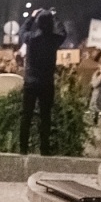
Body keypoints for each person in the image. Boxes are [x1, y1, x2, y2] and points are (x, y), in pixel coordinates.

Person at [19, 10, 67, 155]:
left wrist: (31, 17)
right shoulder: (54, 39)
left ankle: (23, 147)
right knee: (45, 116)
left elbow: (22, 31)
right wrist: (56, 16)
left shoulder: (31, 39)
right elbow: (63, 32)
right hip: (47, 82)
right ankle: (44, 148)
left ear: (38, 23)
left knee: (26, 115)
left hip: (31, 81)